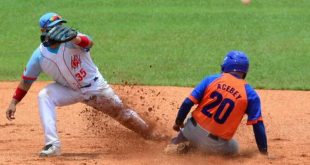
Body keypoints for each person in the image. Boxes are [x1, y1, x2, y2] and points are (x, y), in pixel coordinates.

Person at [6, 12, 160, 157]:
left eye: (60, 25)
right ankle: (52, 145)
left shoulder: (73, 40)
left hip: (96, 88)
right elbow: (26, 80)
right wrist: (14, 102)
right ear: (44, 31)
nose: (59, 30)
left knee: (121, 113)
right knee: (44, 95)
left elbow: (89, 42)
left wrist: (75, 39)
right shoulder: (39, 56)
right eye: (55, 27)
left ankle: (152, 135)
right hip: (70, 91)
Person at [165, 51, 268, 156]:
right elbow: (258, 125)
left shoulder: (211, 79)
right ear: (245, 72)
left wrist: (178, 123)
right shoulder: (251, 94)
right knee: (234, 146)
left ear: (225, 66)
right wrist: (264, 153)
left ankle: (178, 143)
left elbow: (187, 103)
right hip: (215, 145)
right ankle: (202, 155)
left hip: (192, 131)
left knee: (188, 123)